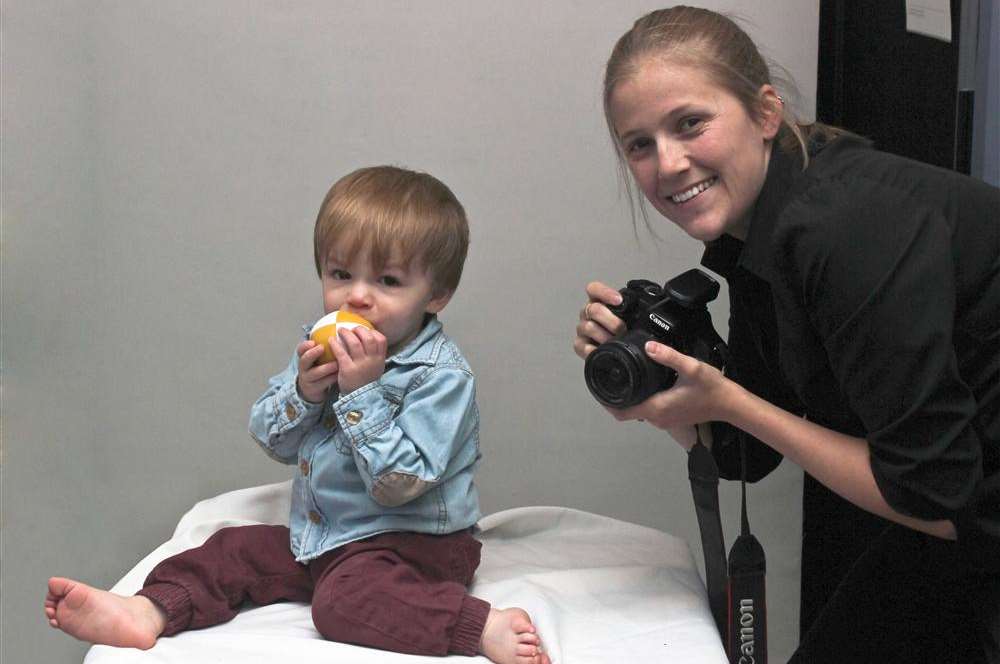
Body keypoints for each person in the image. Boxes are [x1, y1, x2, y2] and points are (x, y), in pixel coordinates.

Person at [573, 6, 999, 663]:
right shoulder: (759, 237)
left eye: (690, 123)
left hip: (956, 512)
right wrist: (667, 398)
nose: (668, 163)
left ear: (766, 113)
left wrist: (725, 401)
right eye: (639, 143)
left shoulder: (841, 227)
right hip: (959, 514)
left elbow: (935, 498)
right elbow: (749, 454)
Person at [45, 165, 550, 664]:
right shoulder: (322, 344)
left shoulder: (441, 376)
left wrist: (361, 395)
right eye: (340, 273)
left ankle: (477, 625)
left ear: (436, 294)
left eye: (388, 280)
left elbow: (400, 484)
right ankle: (150, 610)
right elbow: (273, 441)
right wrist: (307, 392)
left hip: (416, 549)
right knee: (231, 549)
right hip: (328, 534)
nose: (357, 295)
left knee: (340, 602)